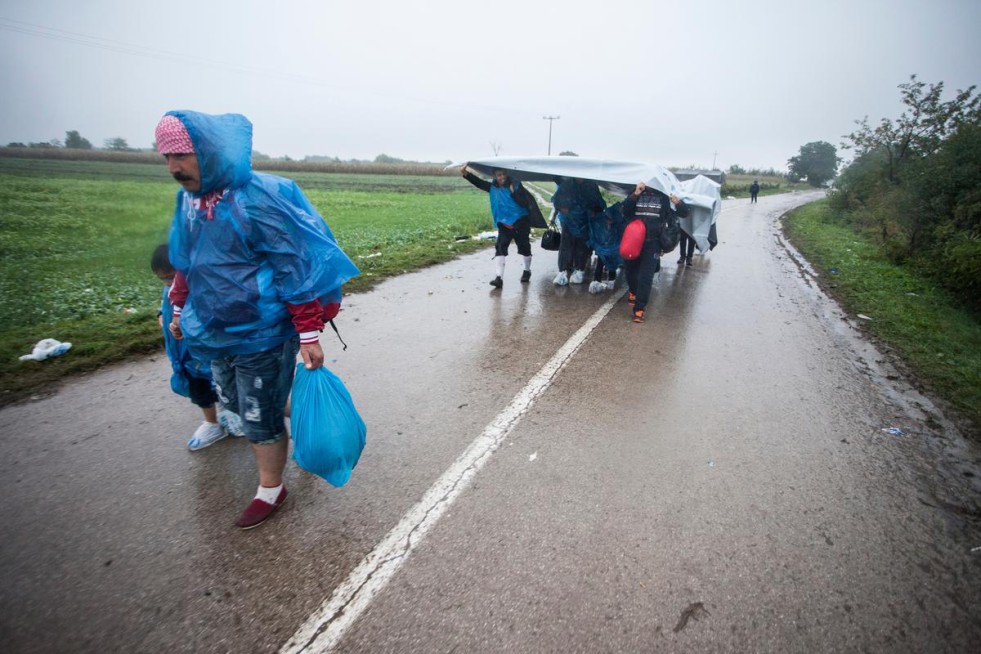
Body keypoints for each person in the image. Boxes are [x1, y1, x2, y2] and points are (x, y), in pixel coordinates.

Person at [156, 110, 360, 530]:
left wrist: (308, 333)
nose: (173, 167)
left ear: (209, 152)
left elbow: (294, 266)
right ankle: (291, 413)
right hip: (214, 330)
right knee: (235, 399)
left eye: (181, 154)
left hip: (263, 332)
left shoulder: (256, 197)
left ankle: (271, 488)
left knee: (256, 415)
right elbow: (184, 260)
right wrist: (178, 308)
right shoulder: (190, 202)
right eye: (166, 157)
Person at [151, 244, 242, 451]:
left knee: (225, 384)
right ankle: (212, 423)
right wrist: (160, 314)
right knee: (198, 387)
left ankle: (234, 413)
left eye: (171, 276)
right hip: (183, 352)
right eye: (162, 279)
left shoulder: (199, 289)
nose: (167, 283)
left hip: (204, 351)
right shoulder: (170, 289)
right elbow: (166, 303)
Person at [622, 182, 689, 323]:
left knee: (645, 277)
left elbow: (683, 213)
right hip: (633, 240)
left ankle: (639, 309)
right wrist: (635, 194)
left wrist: (678, 203)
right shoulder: (636, 192)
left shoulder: (664, 197)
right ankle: (633, 291)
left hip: (653, 243)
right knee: (630, 272)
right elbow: (625, 210)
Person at [461, 165, 534, 288]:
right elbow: (478, 183)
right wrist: (466, 174)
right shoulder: (492, 188)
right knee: (500, 248)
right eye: (499, 175)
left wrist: (514, 192)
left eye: (504, 174)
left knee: (524, 248)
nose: (502, 177)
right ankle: (499, 278)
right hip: (504, 225)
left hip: (520, 223)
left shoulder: (515, 185)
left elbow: (525, 203)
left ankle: (527, 271)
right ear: (495, 176)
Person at [551, 178, 606, 286]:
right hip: (568, 220)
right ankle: (563, 271)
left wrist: (594, 211)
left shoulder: (591, 185)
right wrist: (561, 208)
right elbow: (556, 200)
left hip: (584, 221)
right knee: (566, 245)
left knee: (582, 246)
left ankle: (580, 270)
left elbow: (599, 203)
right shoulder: (567, 184)